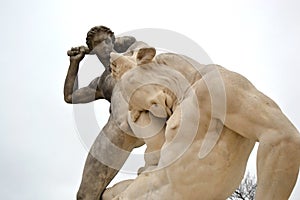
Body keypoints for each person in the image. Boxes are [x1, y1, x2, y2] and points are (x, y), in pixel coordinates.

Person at [64, 26, 144, 200]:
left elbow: (135, 43)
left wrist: (113, 42)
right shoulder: (101, 83)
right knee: (85, 196)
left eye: (108, 41)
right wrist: (75, 63)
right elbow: (70, 96)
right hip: (117, 128)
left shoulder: (132, 53)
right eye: (99, 43)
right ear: (94, 49)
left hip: (150, 112)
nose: (105, 46)